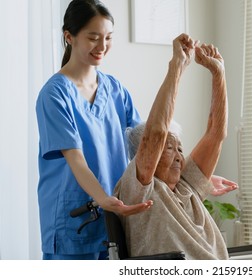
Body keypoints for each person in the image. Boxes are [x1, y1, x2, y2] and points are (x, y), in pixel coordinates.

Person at [35, 0, 153, 260]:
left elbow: (145, 148)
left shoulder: (115, 89)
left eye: (108, 38)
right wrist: (102, 198)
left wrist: (188, 174)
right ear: (69, 37)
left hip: (114, 213)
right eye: (93, 37)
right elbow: (75, 159)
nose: (102, 47)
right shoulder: (54, 94)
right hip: (76, 219)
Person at [114, 34, 236, 259]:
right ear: (142, 154)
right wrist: (177, 66)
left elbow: (216, 134)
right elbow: (156, 133)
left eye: (180, 148)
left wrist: (218, 73)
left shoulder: (186, 184)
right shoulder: (138, 190)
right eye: (169, 148)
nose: (180, 155)